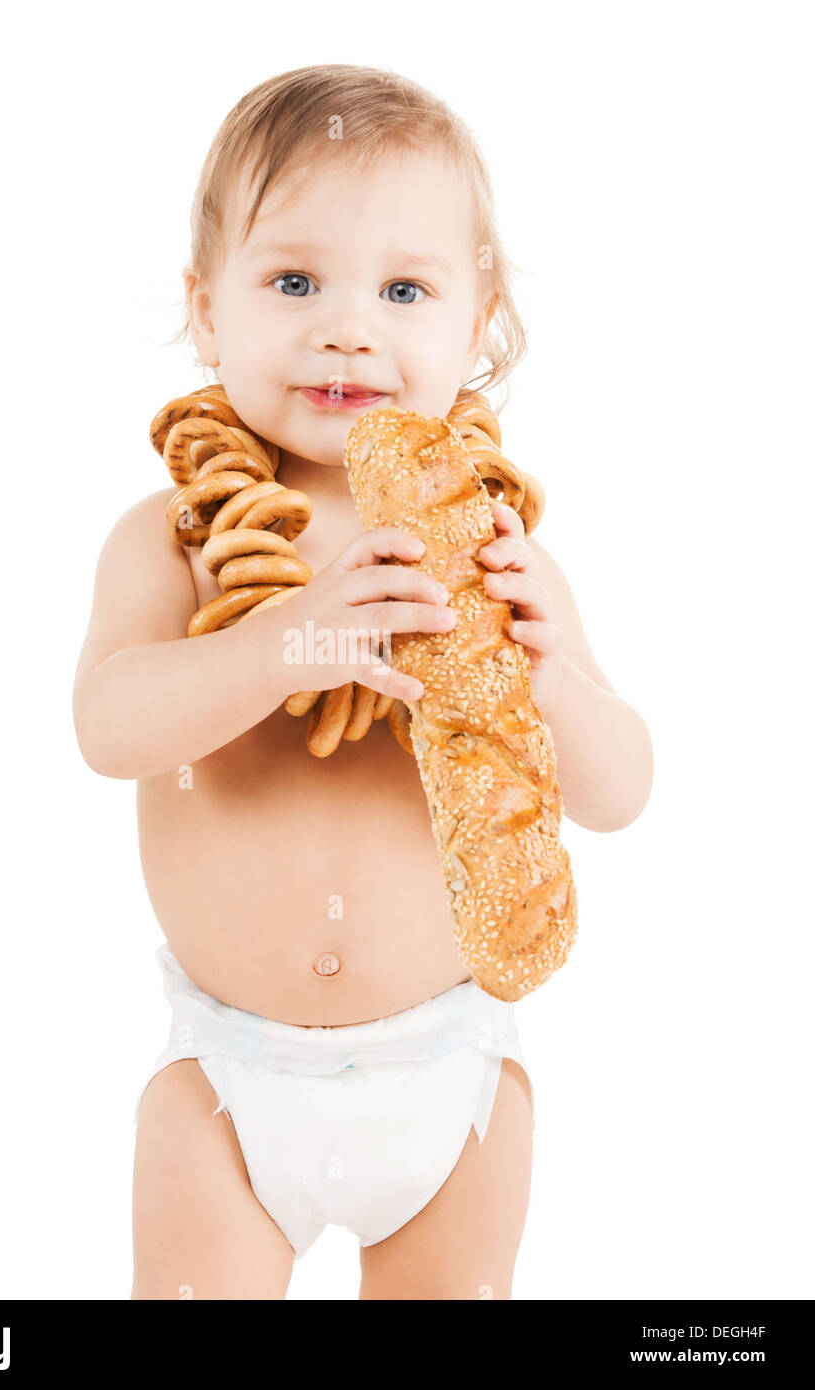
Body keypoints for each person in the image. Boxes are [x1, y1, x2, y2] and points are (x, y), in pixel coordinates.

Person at [72, 64, 653, 1300]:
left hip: (446, 1066)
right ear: (205, 306)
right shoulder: (175, 538)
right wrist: (281, 643)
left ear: (475, 319)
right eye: (293, 282)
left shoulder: (496, 550)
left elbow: (615, 792)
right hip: (226, 1085)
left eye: (402, 289)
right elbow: (110, 726)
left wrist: (548, 673)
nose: (347, 327)